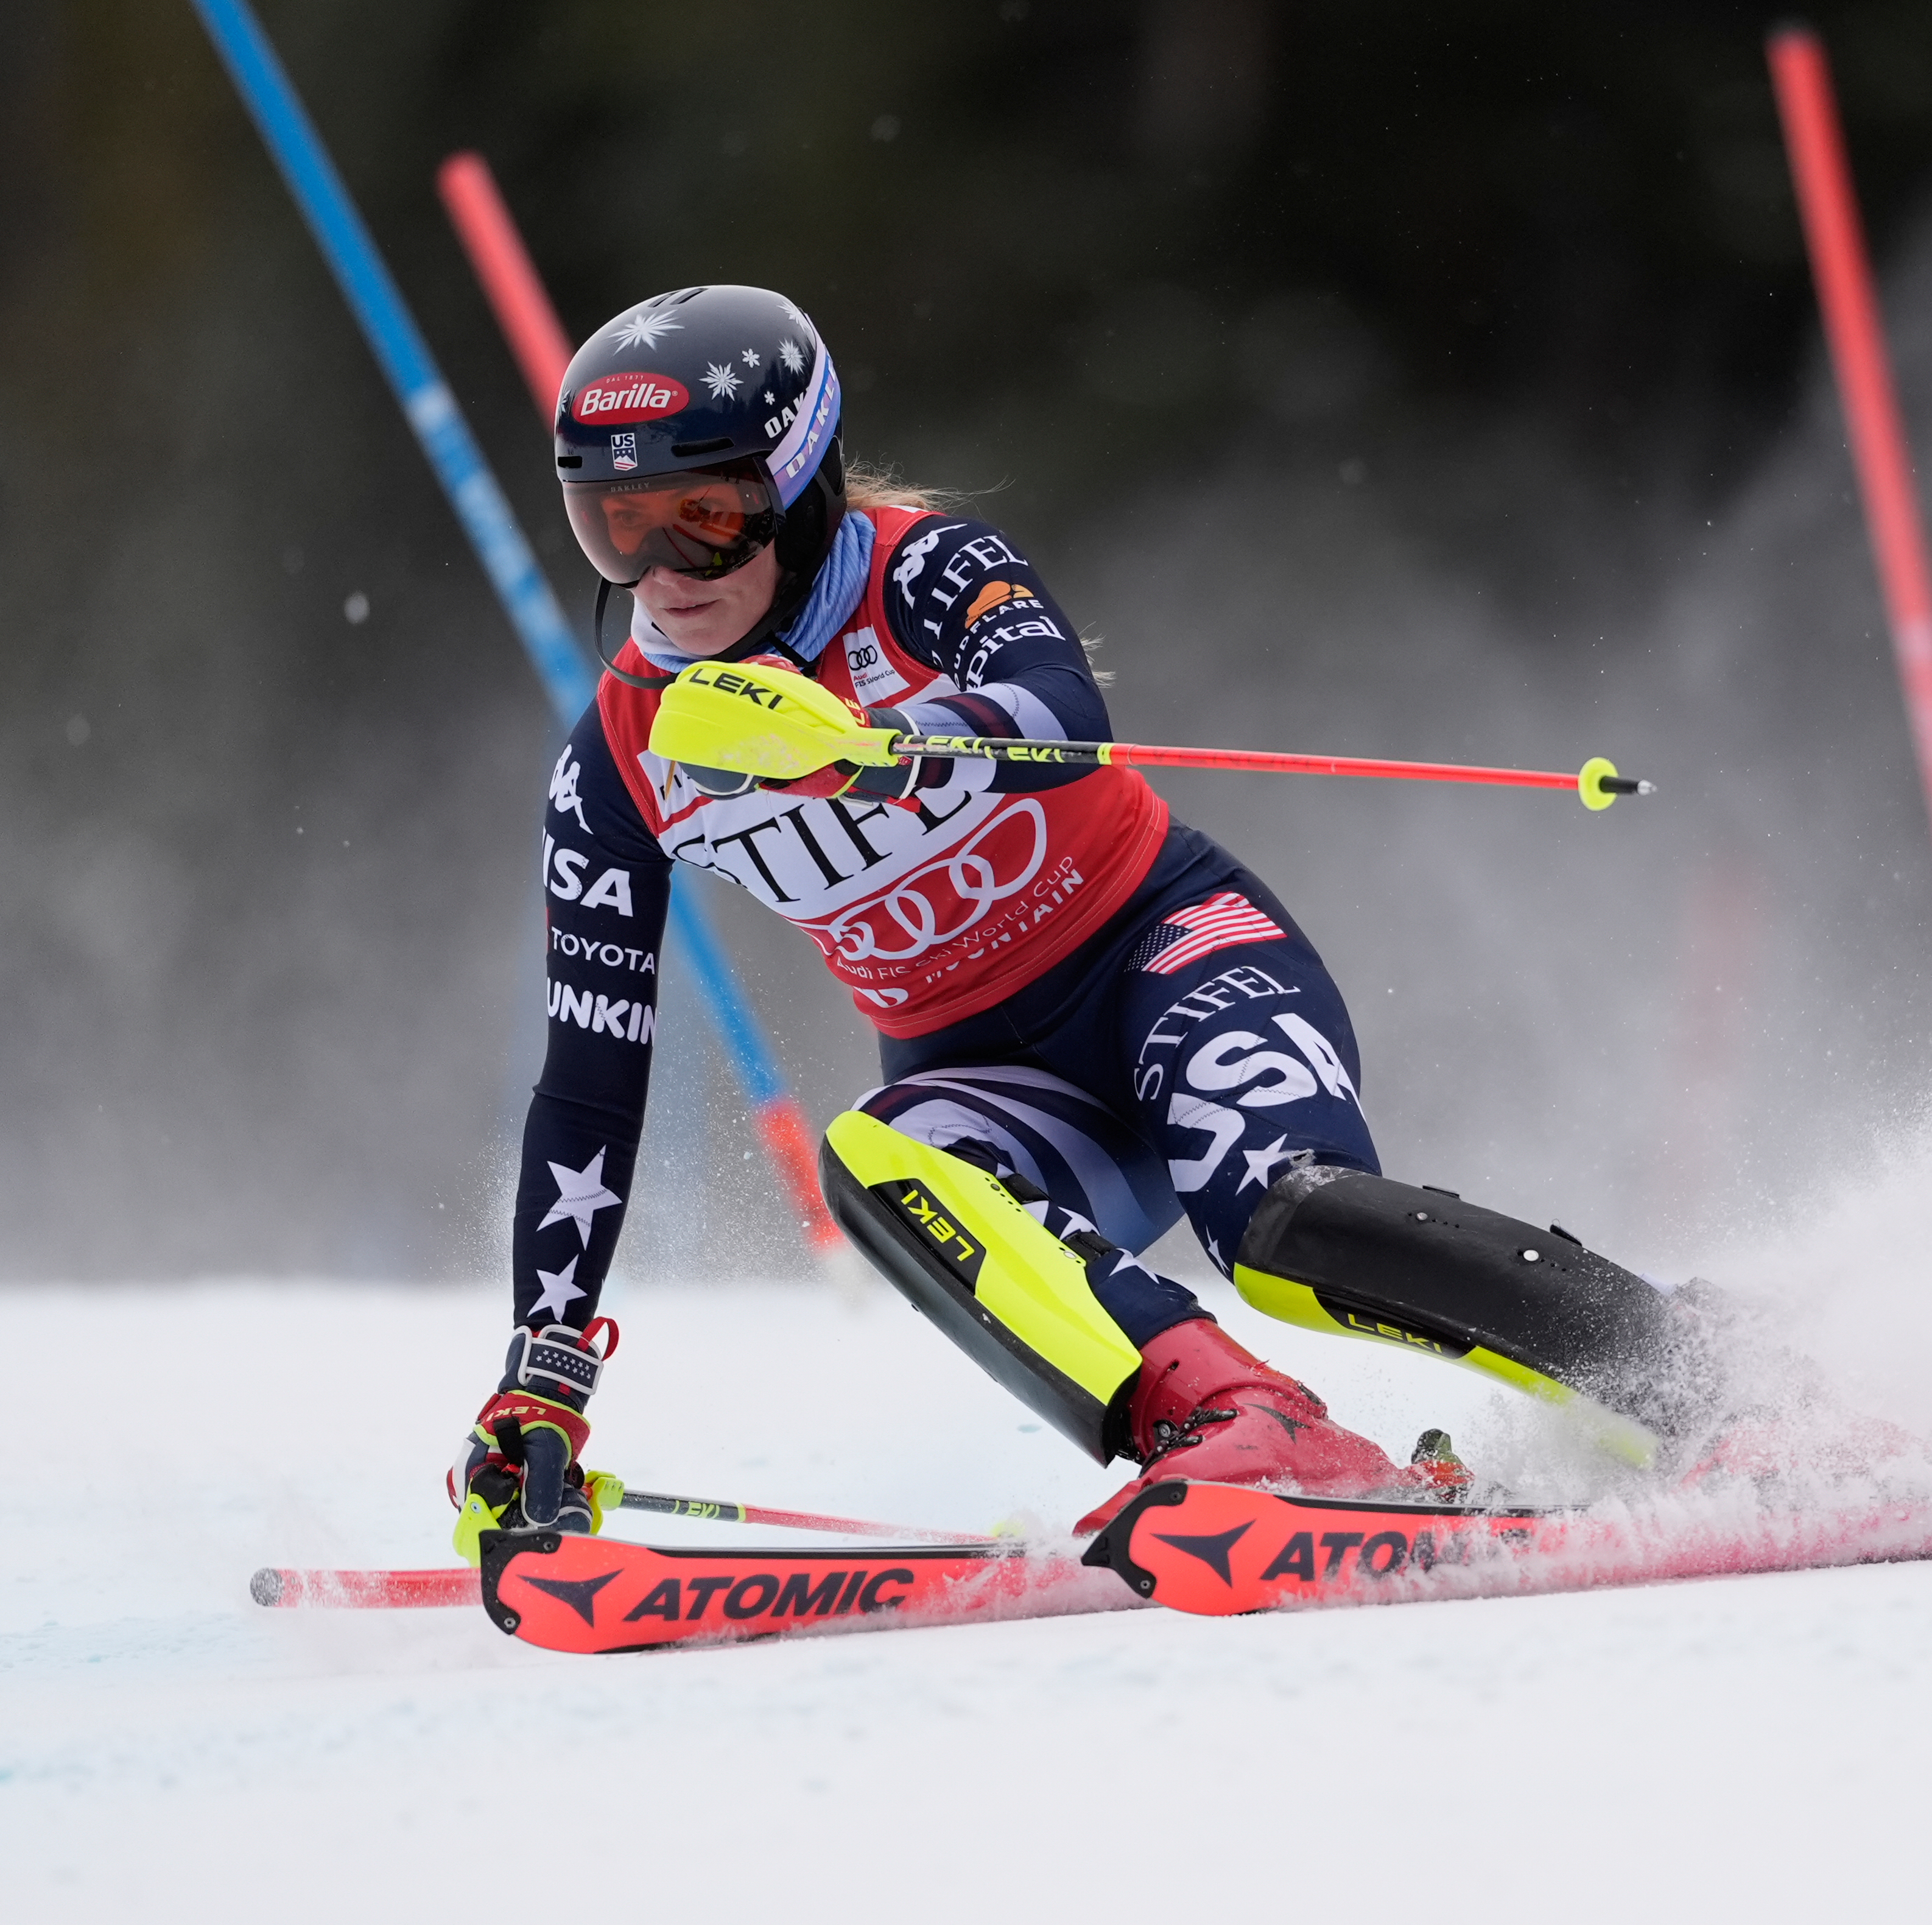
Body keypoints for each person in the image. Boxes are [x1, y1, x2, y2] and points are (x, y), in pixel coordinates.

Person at [450, 286, 1716, 1558]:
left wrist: (883, 754)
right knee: (884, 1165)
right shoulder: (616, 762)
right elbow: (591, 1086)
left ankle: (1688, 1371)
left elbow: (1062, 710)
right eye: (616, 530)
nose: (663, 579)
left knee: (1278, 1229)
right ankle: (1242, 1423)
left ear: (801, 487)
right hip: (993, 1083)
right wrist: (542, 1377)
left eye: (706, 521)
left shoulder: (921, 570)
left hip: (1165, 955)